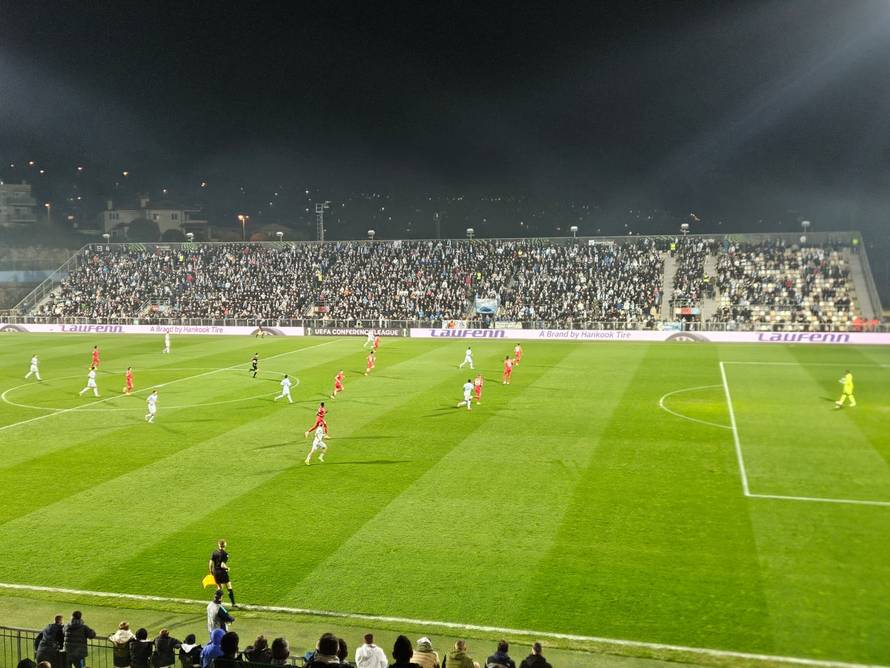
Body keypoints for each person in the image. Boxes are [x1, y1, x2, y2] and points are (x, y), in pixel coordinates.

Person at [209, 539, 236, 606]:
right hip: (222, 573)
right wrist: (227, 568)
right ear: (225, 545)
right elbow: (222, 565)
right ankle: (233, 603)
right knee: (229, 587)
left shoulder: (214, 552)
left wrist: (211, 571)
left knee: (219, 588)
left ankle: (217, 603)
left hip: (215, 572)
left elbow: (210, 563)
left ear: (219, 545)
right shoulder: (225, 554)